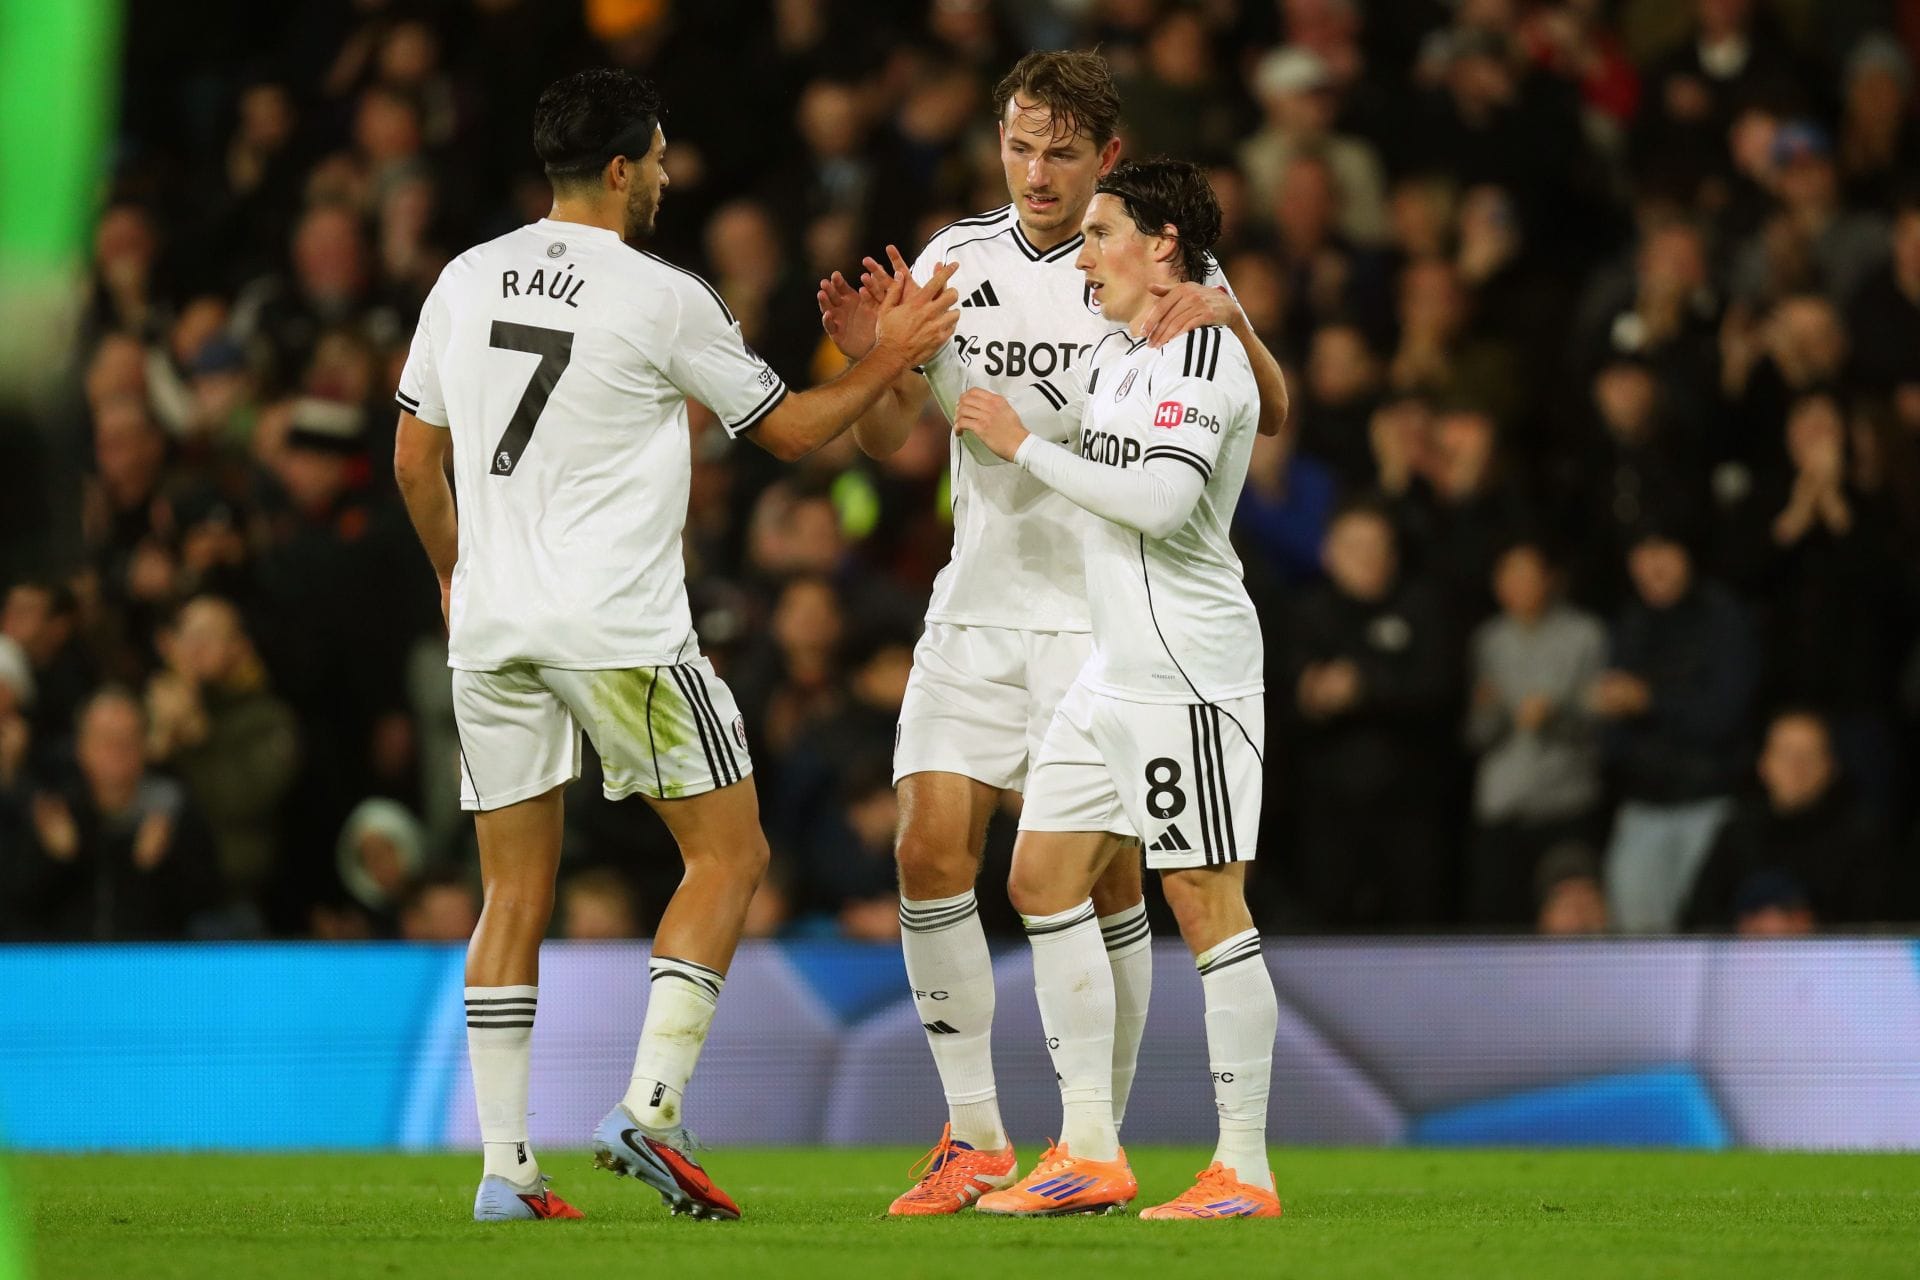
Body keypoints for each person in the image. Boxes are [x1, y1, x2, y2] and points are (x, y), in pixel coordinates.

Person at [390, 68, 959, 1224]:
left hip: (492, 626)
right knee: (730, 853)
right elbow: (794, 432)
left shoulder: (462, 278)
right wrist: (893, 355)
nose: (666, 171)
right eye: (656, 155)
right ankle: (651, 1108)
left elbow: (413, 462)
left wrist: (458, 575)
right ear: (616, 169)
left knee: (510, 891)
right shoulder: (662, 296)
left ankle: (506, 1169)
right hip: (617, 629)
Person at [815, 49, 1290, 1216]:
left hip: (1113, 615)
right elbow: (885, 444)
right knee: (930, 850)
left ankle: (1099, 1137)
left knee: (1113, 879)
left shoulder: (1154, 254)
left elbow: (1261, 405)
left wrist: (1231, 318)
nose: (1036, 172)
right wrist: (875, 362)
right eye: (1020, 147)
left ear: (1107, 159)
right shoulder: (953, 261)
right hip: (977, 601)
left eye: (1063, 153)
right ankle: (975, 1133)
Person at [951, 158, 1282, 1221]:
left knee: (1204, 902)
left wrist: (1020, 446)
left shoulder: (1201, 353)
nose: (1084, 255)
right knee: (1042, 876)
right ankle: (1089, 1145)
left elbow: (1158, 500)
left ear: (1164, 245)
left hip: (1188, 667)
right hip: (1113, 668)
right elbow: (1063, 442)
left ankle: (1244, 1167)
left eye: (1102, 235)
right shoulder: (1123, 351)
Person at [1593, 526, 1757, 931]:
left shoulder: (1723, 616)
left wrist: (1650, 701)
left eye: (1663, 550)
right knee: (1637, 942)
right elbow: (1610, 728)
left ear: (1687, 554)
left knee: (1704, 935)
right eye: (1642, 553)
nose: (1653, 565)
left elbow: (1724, 714)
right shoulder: (1630, 622)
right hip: (1643, 804)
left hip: (1709, 802)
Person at [1463, 542, 1606, 926]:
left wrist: (1556, 715)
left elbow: (1604, 725)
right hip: (1502, 806)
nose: (1518, 586)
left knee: (1570, 922)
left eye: (1528, 575)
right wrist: (1490, 713)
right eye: (1508, 576)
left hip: (1566, 804)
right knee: (1497, 922)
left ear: (1551, 579)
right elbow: (1475, 735)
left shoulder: (1585, 635)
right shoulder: (1487, 640)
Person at [1681, 710, 1888, 931]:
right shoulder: (1737, 832)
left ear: (1831, 766)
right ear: (1763, 764)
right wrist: (1748, 927)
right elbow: (1695, 920)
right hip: (1741, 960)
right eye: (1785, 754)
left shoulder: (1860, 838)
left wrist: (1806, 928)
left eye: (1809, 756)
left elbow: (1875, 927)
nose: (1796, 768)